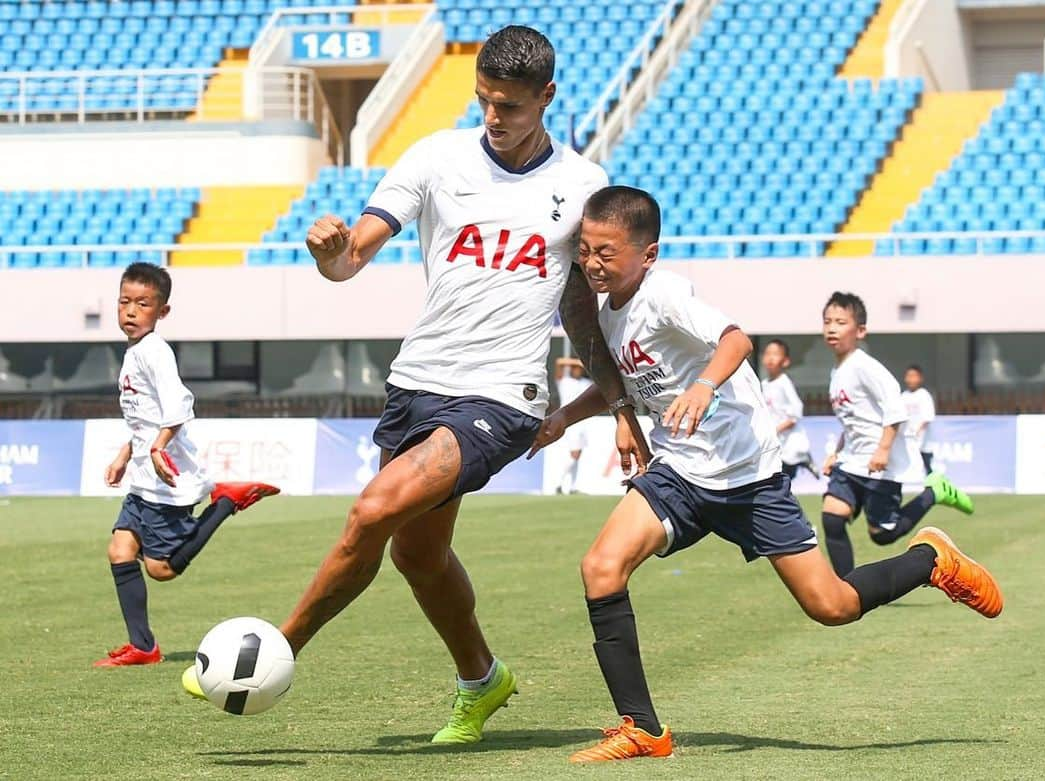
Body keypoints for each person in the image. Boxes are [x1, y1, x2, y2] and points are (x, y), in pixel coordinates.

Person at [183, 26, 651, 743]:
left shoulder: (581, 187)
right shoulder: (435, 157)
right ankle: (482, 679)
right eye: (486, 101)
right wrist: (330, 256)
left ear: (547, 98)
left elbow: (582, 311)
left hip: (503, 397)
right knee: (417, 554)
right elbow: (350, 262)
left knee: (372, 512)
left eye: (512, 107)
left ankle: (270, 652)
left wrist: (618, 404)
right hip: (418, 384)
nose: (495, 117)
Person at [529, 187, 1003, 763]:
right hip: (681, 471)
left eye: (606, 252)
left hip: (749, 476)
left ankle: (931, 560)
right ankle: (642, 730)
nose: (592, 263)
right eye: (585, 250)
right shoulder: (608, 314)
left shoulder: (666, 294)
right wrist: (562, 419)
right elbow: (628, 385)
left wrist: (704, 387)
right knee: (601, 567)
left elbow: (736, 340)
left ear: (647, 254)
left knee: (832, 607)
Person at [98, 263, 278, 668]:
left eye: (142, 304)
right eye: (124, 301)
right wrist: (126, 455)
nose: (130, 311)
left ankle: (225, 503)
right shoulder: (135, 353)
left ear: (162, 312)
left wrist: (159, 448)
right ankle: (143, 647)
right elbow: (143, 416)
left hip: (168, 481)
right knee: (120, 550)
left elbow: (180, 405)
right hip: (144, 480)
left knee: (161, 570)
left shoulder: (155, 352)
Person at [821, 293, 972, 577]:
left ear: (860, 331)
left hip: (881, 465)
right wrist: (836, 452)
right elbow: (852, 420)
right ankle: (846, 588)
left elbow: (896, 409)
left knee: (882, 535)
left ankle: (934, 492)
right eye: (828, 321)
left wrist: (883, 450)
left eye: (841, 322)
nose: (832, 328)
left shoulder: (865, 367)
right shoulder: (837, 371)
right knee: (832, 518)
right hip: (852, 462)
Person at [760, 338, 818, 479]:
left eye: (775, 354)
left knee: (783, 476)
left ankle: (804, 460)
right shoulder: (764, 384)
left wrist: (778, 429)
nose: (770, 358)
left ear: (785, 361)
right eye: (767, 353)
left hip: (789, 440)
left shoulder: (784, 382)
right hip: (775, 441)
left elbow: (796, 413)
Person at [554, 357, 593, 493]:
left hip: (583, 422)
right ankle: (559, 483)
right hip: (570, 422)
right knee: (574, 454)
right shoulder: (564, 381)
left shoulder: (586, 383)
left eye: (579, 368)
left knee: (578, 455)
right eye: (575, 368)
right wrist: (577, 362)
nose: (577, 370)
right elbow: (559, 363)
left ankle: (572, 487)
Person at [902, 364, 936, 475]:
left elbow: (927, 418)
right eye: (909, 376)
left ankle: (932, 489)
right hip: (907, 439)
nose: (911, 379)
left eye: (914, 376)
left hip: (923, 441)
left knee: (927, 468)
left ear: (920, 378)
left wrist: (918, 433)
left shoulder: (924, 395)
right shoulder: (903, 396)